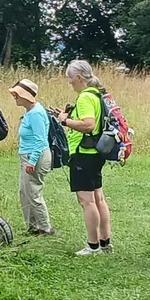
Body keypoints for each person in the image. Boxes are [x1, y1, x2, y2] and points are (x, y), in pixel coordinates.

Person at [52, 60, 112, 256]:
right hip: (96, 153)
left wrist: (65, 121)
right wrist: (65, 115)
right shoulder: (97, 94)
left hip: (83, 154)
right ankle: (105, 242)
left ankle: (92, 245)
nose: (69, 82)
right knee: (98, 198)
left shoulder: (85, 97)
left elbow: (88, 125)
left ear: (79, 77)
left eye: (70, 78)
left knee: (87, 201)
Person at [9, 78, 53, 236]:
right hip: (27, 156)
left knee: (33, 193)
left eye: (17, 94)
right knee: (24, 192)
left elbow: (40, 140)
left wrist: (32, 161)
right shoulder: (29, 112)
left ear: (26, 96)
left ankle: (45, 228)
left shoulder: (36, 114)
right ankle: (32, 226)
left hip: (35, 156)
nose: (15, 97)